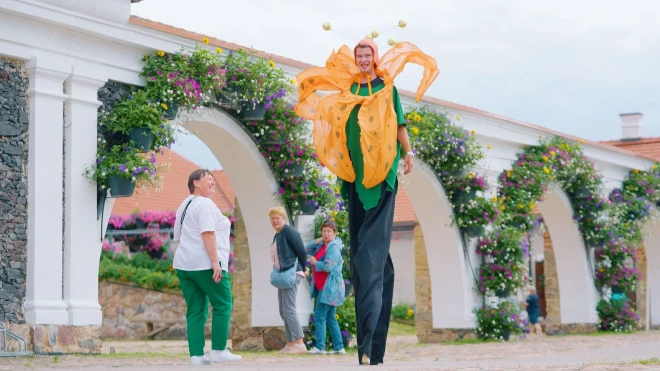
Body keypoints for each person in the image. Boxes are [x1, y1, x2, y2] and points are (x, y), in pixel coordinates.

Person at [295, 38, 438, 365]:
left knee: (368, 258)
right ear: (355, 59)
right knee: (368, 259)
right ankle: (371, 351)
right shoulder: (347, 90)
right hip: (354, 175)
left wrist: (409, 152)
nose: (362, 59)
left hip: (382, 171)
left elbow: (399, 123)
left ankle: (368, 349)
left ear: (374, 58)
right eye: (358, 55)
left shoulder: (387, 88)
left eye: (367, 54)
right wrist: (327, 152)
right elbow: (335, 124)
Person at [172, 169, 242, 365]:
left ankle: (197, 356)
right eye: (207, 179)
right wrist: (215, 262)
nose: (212, 182)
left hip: (184, 264)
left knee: (195, 309)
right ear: (195, 182)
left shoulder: (184, 205)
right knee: (223, 303)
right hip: (205, 263)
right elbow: (207, 233)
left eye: (213, 178)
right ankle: (219, 350)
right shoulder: (204, 204)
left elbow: (178, 236)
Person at [268, 206, 308, 354]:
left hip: (293, 272)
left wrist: (304, 268)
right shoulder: (277, 235)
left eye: (277, 218)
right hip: (284, 274)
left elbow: (301, 250)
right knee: (283, 310)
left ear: (284, 218)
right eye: (272, 218)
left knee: (289, 308)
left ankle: (299, 343)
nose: (275, 221)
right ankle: (290, 344)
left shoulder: (289, 231)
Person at [304, 221, 346, 355]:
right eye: (324, 231)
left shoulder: (333, 247)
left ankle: (320, 347)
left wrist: (315, 262)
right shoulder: (323, 244)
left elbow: (328, 266)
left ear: (335, 233)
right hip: (322, 286)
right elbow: (305, 249)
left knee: (320, 315)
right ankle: (339, 347)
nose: (326, 234)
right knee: (330, 317)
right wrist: (318, 240)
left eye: (329, 231)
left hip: (329, 287)